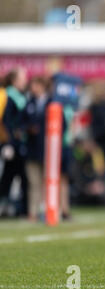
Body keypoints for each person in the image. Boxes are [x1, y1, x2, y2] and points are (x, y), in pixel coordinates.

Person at [0, 67, 29, 218]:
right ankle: (8, 207)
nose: (25, 80)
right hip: (12, 144)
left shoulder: (21, 96)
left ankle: (21, 208)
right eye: (22, 77)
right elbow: (6, 121)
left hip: (20, 144)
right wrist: (8, 143)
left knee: (20, 177)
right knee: (8, 177)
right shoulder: (8, 96)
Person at [23, 76, 51, 222]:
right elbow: (22, 122)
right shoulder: (29, 103)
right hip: (32, 149)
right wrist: (28, 128)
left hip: (48, 150)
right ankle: (32, 213)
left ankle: (47, 210)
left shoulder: (52, 102)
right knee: (34, 182)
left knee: (48, 182)